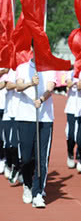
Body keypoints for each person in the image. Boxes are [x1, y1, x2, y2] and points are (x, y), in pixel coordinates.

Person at [15, 58, 57, 208]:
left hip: (45, 118)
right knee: (26, 158)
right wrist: (30, 84)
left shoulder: (50, 67)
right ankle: (27, 184)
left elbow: (51, 87)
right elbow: (18, 86)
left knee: (42, 158)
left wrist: (41, 98)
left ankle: (38, 192)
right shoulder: (23, 67)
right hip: (25, 117)